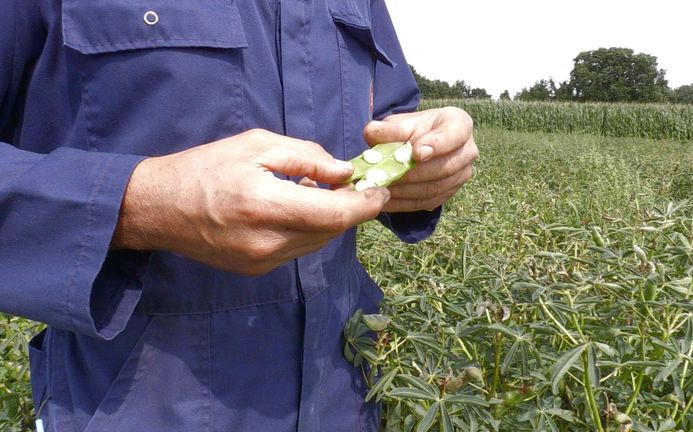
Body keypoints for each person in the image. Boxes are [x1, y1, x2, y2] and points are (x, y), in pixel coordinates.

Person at [0, 0, 477, 430]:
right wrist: (140, 201)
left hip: (347, 393)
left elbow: (387, 116)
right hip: (140, 405)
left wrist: (426, 154)